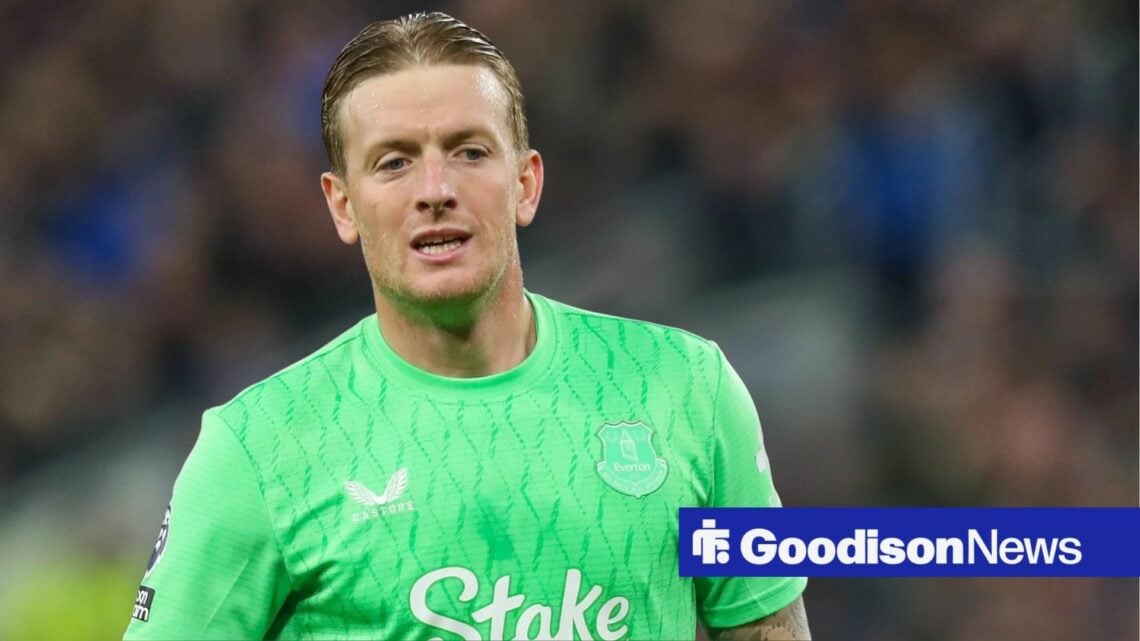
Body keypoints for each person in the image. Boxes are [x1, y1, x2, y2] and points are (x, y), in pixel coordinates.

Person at [123, 11, 810, 641]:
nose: (435, 189)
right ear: (343, 205)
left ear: (526, 183)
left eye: (470, 152)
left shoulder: (688, 387)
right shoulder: (259, 448)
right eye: (393, 162)